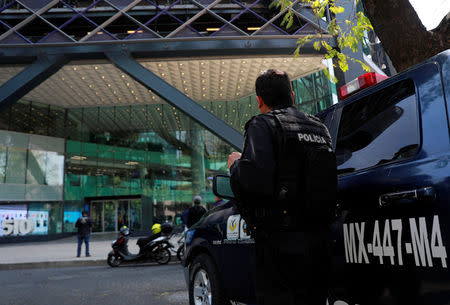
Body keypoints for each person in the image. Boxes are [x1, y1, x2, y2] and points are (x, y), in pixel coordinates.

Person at [228, 69, 337, 305]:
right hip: (320, 241)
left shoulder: (262, 125)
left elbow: (254, 184)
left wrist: (235, 166)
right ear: (293, 95)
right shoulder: (321, 129)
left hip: (280, 244)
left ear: (259, 101)